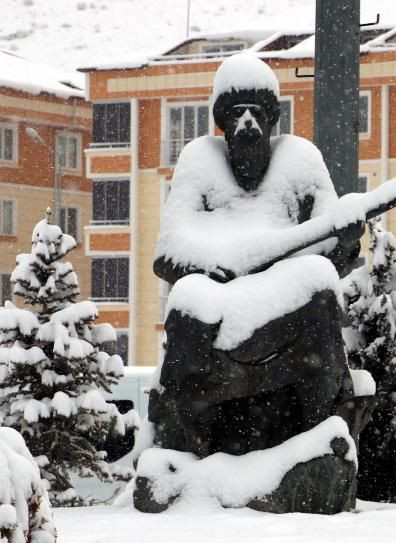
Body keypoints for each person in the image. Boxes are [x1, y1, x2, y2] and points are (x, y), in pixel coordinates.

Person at [150, 53, 368, 457]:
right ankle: (187, 455)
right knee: (185, 305)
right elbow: (166, 255)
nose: (248, 123)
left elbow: (329, 254)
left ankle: (320, 441)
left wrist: (347, 240)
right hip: (219, 304)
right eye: (237, 113)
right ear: (224, 124)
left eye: (257, 113)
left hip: (282, 305)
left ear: (271, 120)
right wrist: (205, 266)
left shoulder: (301, 161)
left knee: (319, 284)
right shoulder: (199, 162)